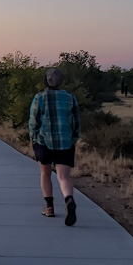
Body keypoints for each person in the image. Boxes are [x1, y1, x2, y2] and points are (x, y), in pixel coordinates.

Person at [29, 67, 81, 226]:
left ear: (46, 80)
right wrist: (73, 138)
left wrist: (34, 138)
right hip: (65, 142)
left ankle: (49, 207)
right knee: (63, 177)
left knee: (45, 173)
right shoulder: (70, 98)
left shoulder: (39, 97)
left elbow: (33, 122)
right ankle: (69, 199)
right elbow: (76, 122)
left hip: (44, 142)